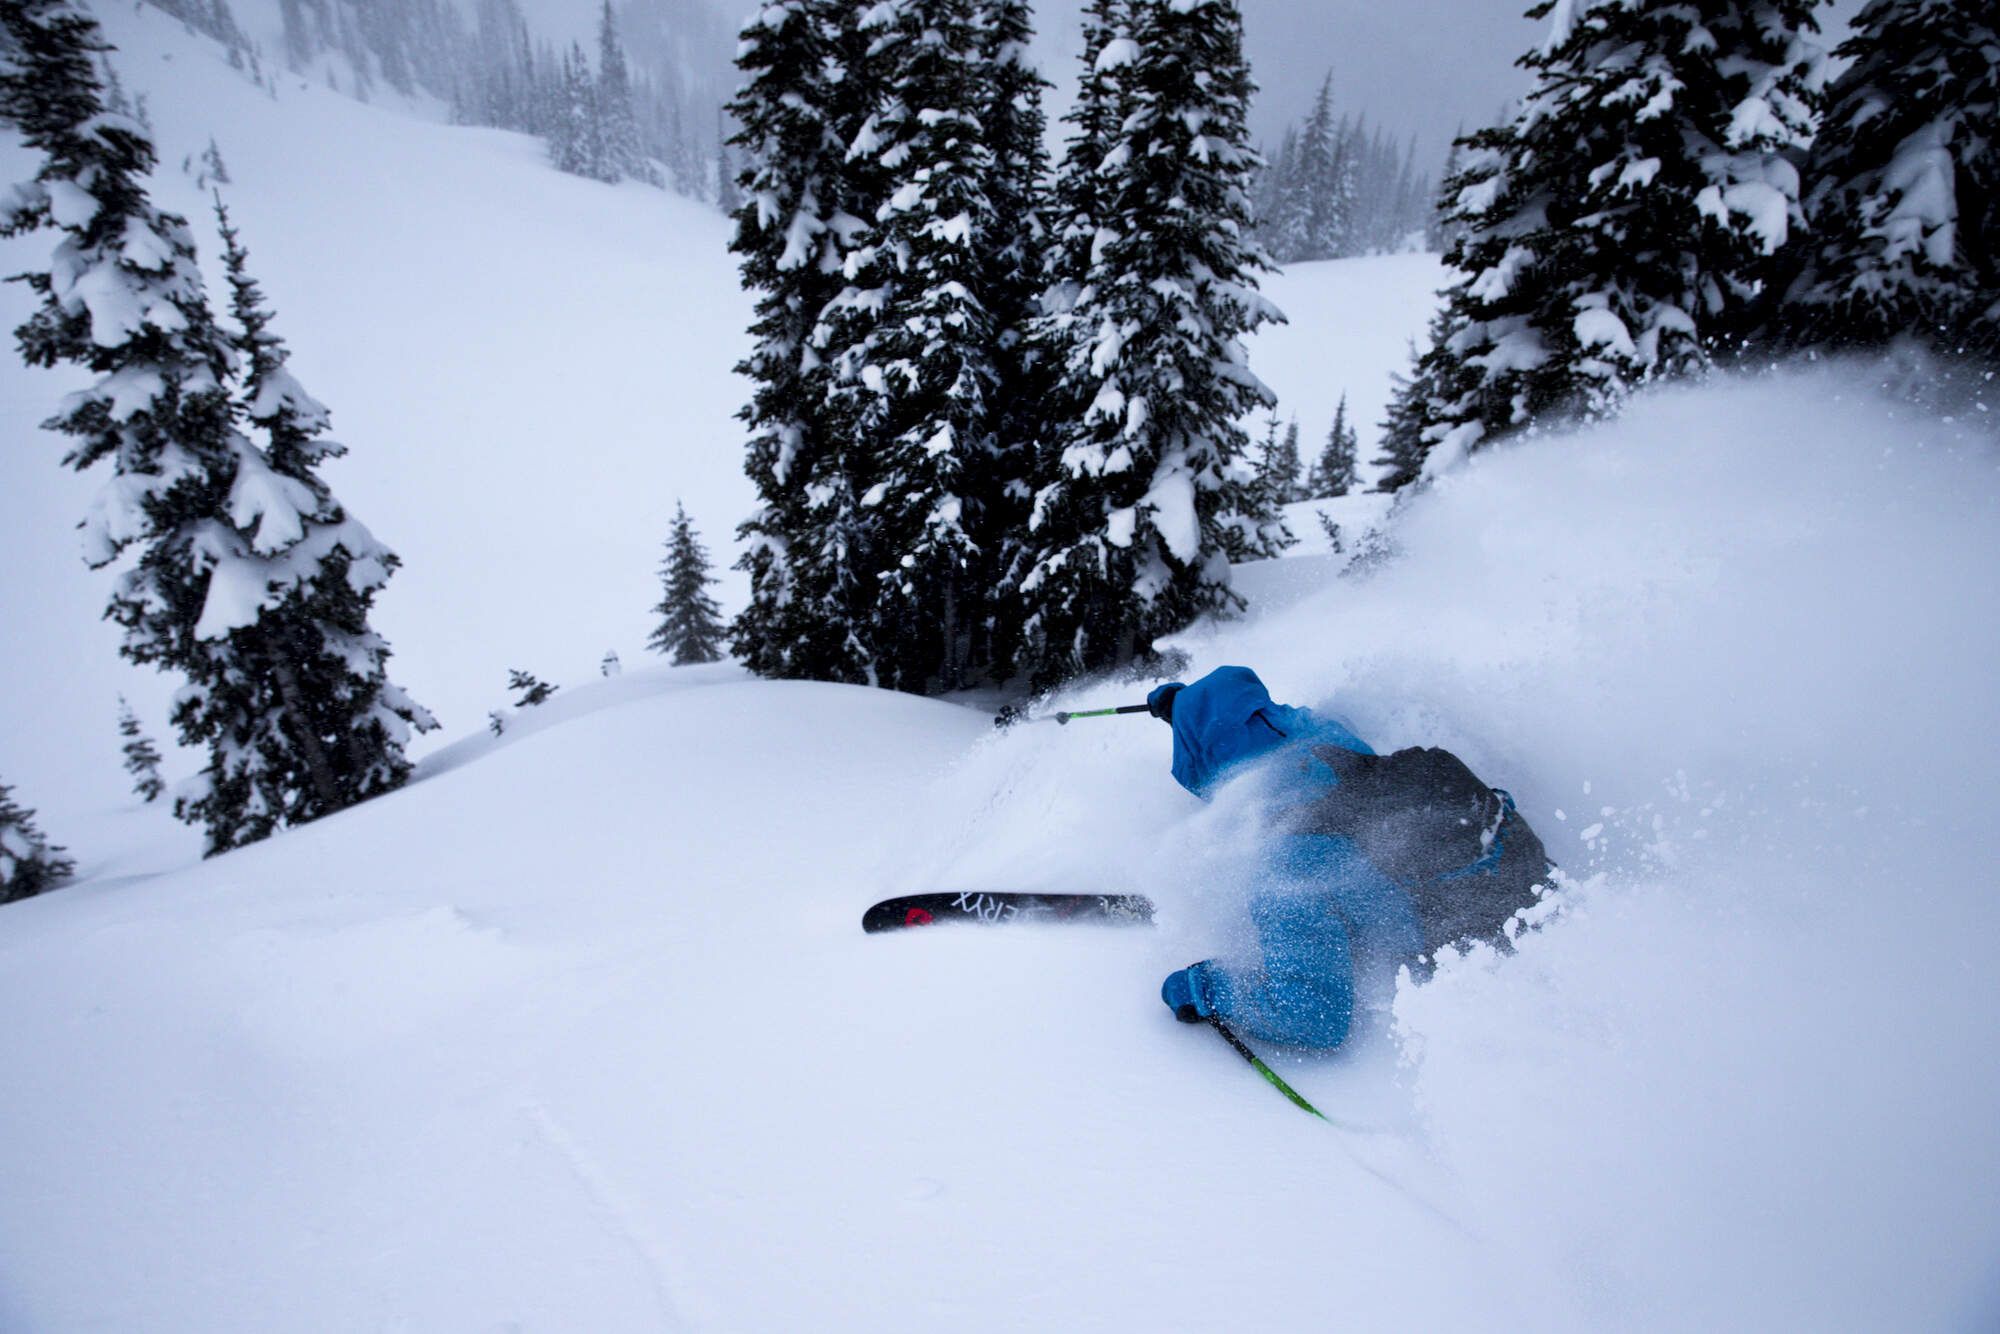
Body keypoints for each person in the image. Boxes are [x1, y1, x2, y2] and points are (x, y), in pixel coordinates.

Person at [1151, 666, 1550, 1050]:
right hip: (1529, 868)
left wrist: (1206, 988)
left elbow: (1313, 1017)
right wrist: (1186, 708)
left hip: (1500, 949)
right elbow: (1251, 724)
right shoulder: (1330, 738)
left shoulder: (1283, 861)